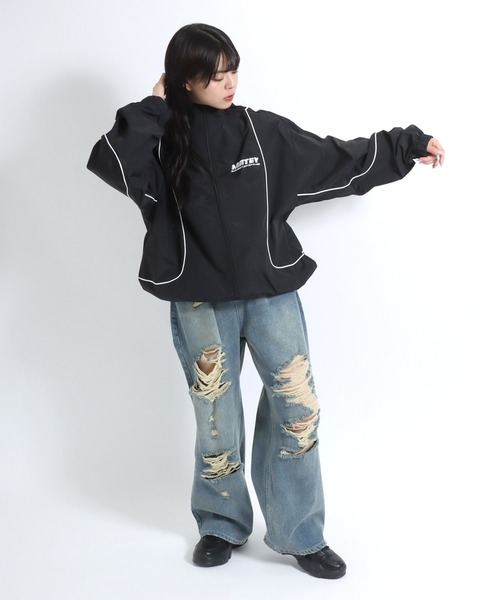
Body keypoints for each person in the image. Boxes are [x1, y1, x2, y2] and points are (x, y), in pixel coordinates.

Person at [87, 23, 444, 579]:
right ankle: (220, 524)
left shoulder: (261, 132)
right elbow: (111, 160)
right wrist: (155, 106)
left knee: (298, 409)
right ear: (184, 81)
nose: (229, 83)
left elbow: (335, 159)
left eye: (233, 71)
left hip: (271, 292)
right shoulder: (160, 142)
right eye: (214, 76)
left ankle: (300, 534)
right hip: (199, 301)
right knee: (216, 415)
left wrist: (406, 144)